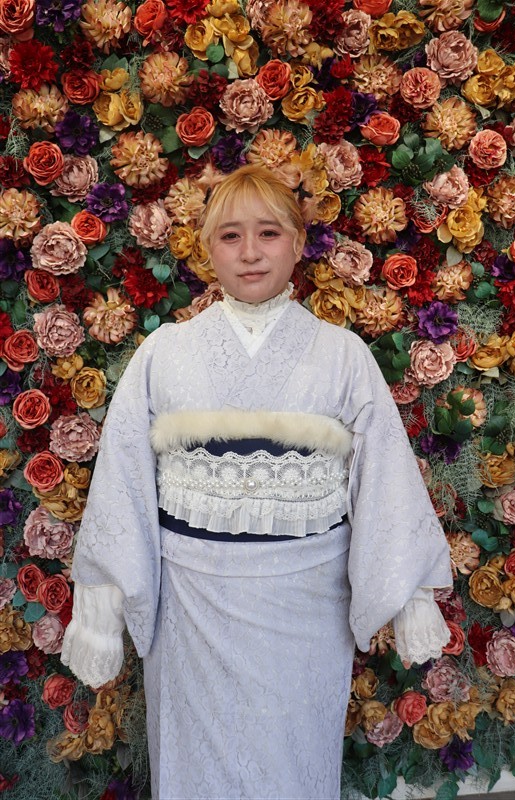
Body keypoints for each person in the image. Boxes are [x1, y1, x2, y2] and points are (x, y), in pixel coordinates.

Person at [61, 164, 452, 800]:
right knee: (194, 770)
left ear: (298, 244)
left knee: (291, 763)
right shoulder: (164, 353)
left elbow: (383, 477)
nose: (250, 252)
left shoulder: (343, 355)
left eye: (268, 233)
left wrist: (410, 594)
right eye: (230, 235)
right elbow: (122, 484)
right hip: (191, 609)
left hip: (305, 610)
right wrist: (101, 610)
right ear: (207, 249)